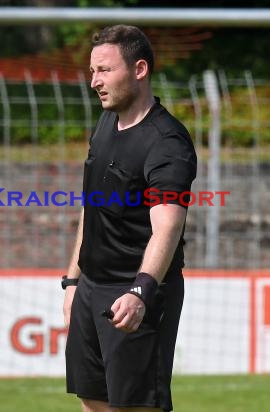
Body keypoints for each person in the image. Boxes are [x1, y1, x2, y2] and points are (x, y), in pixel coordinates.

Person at [62, 25, 197, 412]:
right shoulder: (106, 123)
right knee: (94, 401)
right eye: (92, 72)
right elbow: (93, 204)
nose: (94, 82)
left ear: (139, 69)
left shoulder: (166, 142)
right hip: (91, 287)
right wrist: (73, 281)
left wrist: (141, 291)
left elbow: (168, 227)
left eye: (104, 70)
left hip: (134, 291)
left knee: (134, 407)